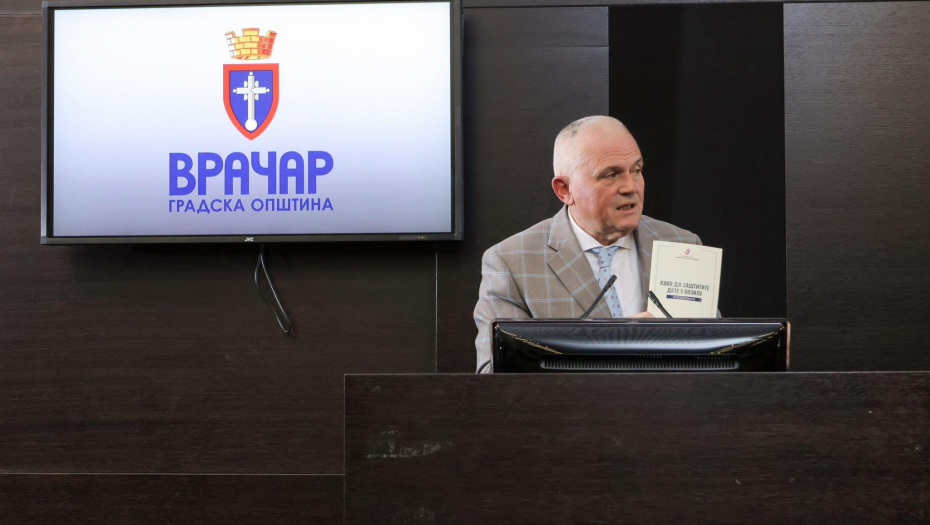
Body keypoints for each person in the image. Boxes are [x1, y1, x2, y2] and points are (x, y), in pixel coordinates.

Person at [473, 116, 703, 372]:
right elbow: (493, 374)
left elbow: (713, 356)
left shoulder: (682, 246)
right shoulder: (513, 262)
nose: (630, 187)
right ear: (564, 189)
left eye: (636, 170)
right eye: (611, 175)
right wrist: (611, 345)